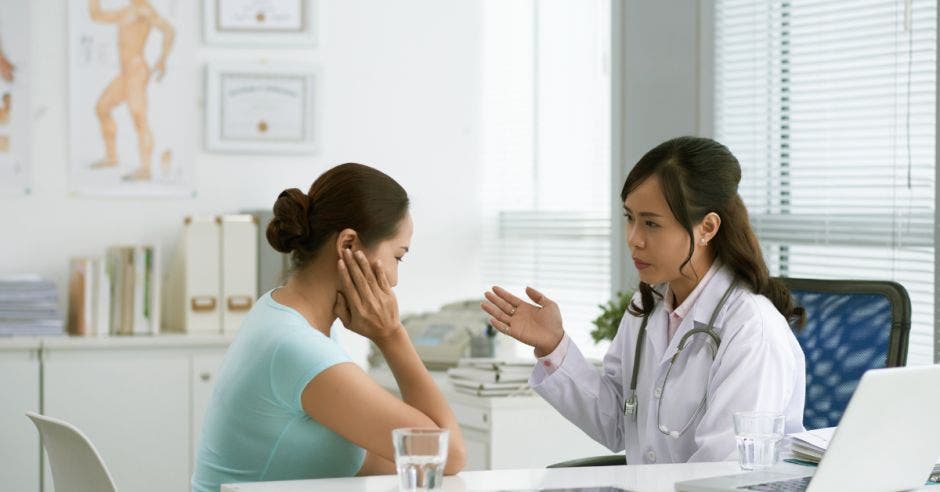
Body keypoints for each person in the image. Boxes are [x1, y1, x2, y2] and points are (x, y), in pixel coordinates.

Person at [481, 136, 806, 463]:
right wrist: (553, 346)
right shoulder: (649, 307)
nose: (634, 239)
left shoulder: (752, 330)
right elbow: (616, 426)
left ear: (707, 227)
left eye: (651, 223)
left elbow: (723, 472)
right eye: (629, 218)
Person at [192, 163, 466, 491]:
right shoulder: (297, 347)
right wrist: (391, 335)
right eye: (398, 257)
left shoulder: (285, 314)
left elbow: (375, 458)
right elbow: (447, 455)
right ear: (348, 245)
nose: (393, 280)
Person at [88, 0, 175, 181]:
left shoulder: (144, 10)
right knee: (102, 108)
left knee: (138, 116)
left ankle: (145, 168)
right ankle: (111, 157)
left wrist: (163, 59)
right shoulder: (127, 11)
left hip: (137, 70)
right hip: (125, 72)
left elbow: (169, 30)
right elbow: (97, 16)